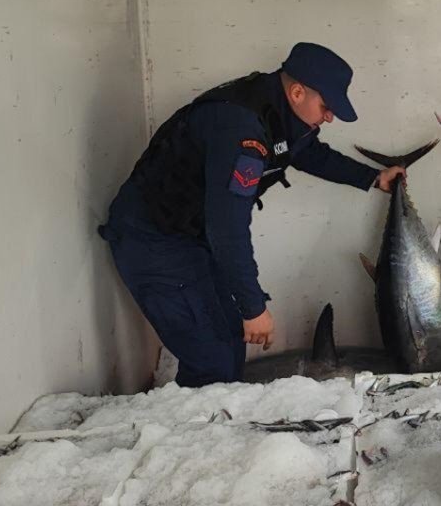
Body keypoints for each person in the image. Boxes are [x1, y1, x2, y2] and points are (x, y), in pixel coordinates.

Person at [99, 43, 404, 386]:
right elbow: (227, 229)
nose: (329, 117)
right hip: (153, 240)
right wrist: (253, 308)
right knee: (211, 360)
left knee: (229, 342)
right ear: (298, 91)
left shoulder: (278, 108)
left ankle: (214, 427)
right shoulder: (240, 131)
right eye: (326, 106)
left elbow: (308, 153)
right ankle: (193, 434)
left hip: (190, 236)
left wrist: (373, 178)